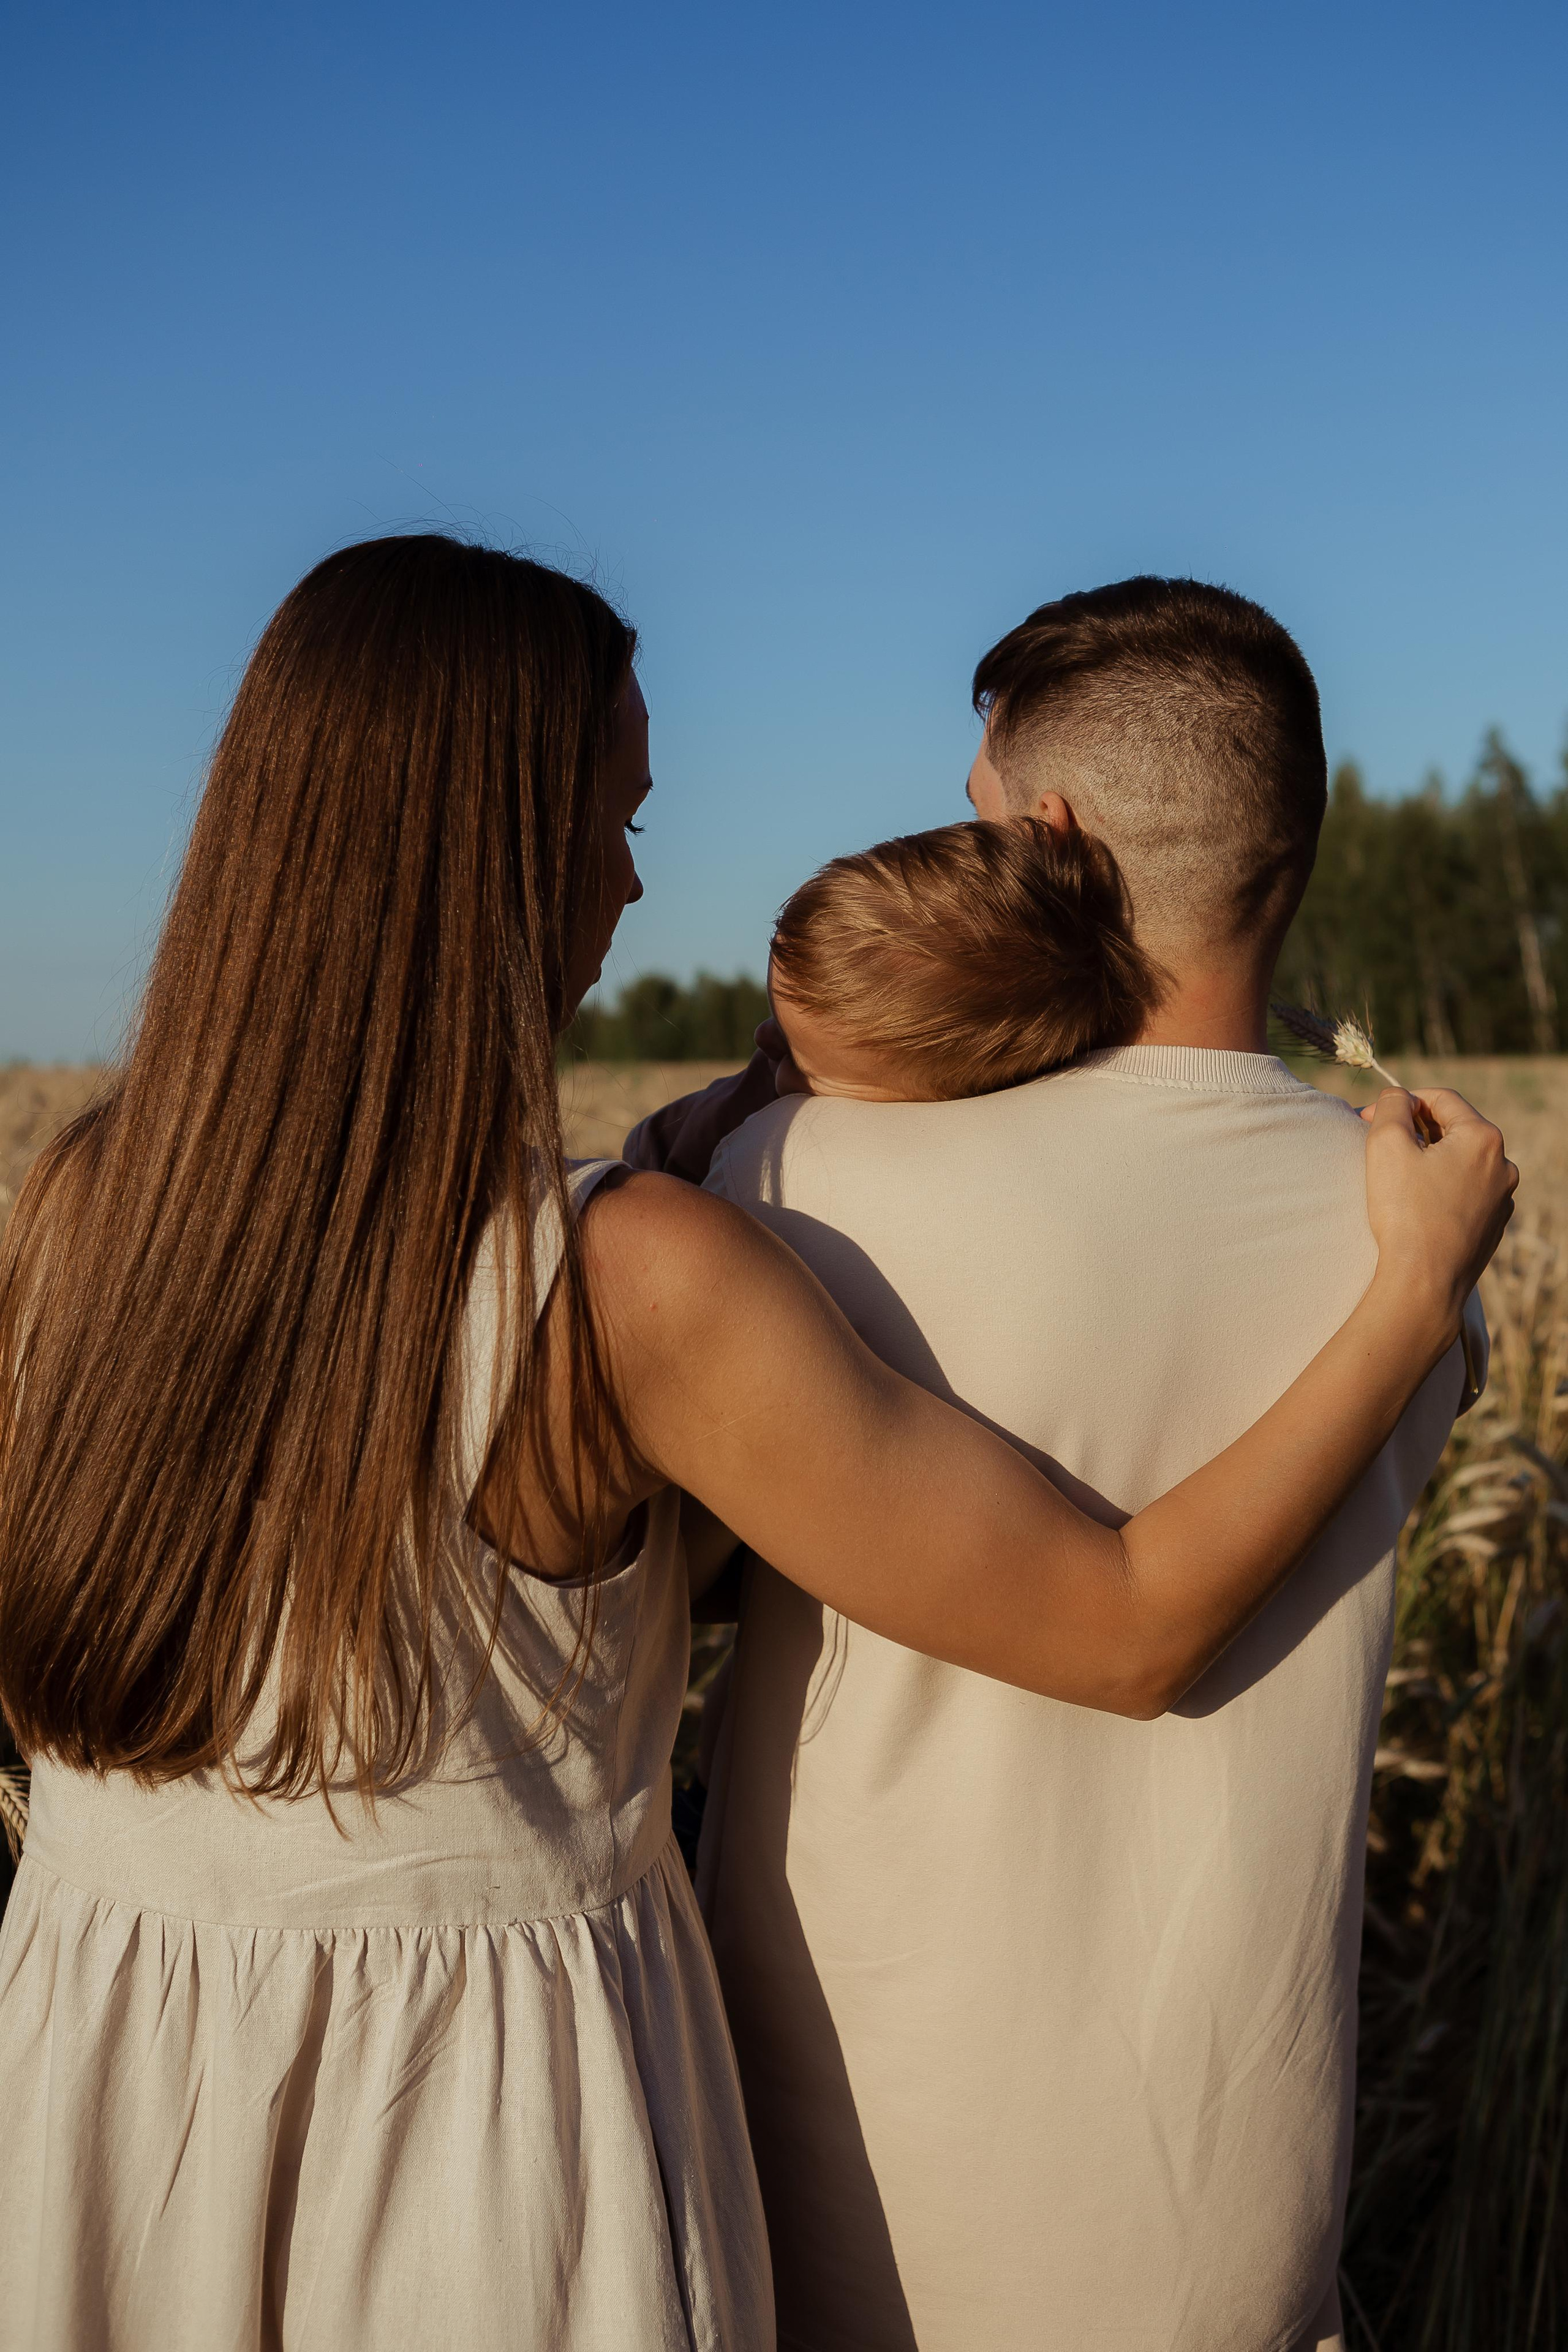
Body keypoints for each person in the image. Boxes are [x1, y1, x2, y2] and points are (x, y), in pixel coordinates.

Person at [0, 543, 1512, 2352]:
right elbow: (1119, 1623)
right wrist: (1411, 1293)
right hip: (461, 2125)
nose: (637, 880)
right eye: (618, 818)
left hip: (104, 2066)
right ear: (492, 849)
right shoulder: (636, 1282)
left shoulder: (76, 1212)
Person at [634, 576, 1502, 2352]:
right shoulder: (1421, 1233)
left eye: (974, 815)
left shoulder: (800, 1192)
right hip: (1234, 2207)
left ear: (1051, 841)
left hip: (858, 2187)